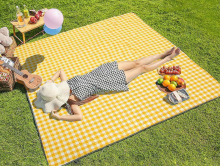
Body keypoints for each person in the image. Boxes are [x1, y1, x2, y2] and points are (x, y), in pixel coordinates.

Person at [34, 47, 180, 121]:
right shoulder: (72, 101)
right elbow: (79, 116)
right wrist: (60, 117)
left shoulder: (65, 84)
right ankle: (168, 59)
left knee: (136, 62)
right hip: (110, 81)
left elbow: (60, 71)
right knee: (141, 68)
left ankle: (163, 54)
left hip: (103, 70)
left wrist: (51, 81)